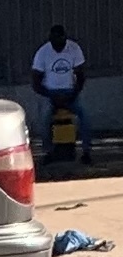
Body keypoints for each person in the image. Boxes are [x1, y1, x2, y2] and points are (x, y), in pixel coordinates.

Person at [32, 24, 91, 165]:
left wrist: (72, 95)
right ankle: (48, 152)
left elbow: (81, 76)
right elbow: (35, 82)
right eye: (55, 41)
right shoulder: (43, 52)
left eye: (62, 41)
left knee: (85, 116)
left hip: (71, 92)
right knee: (45, 118)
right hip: (50, 93)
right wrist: (52, 96)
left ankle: (86, 152)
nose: (59, 45)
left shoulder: (74, 49)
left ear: (65, 38)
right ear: (50, 40)